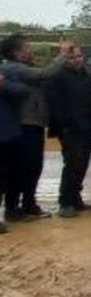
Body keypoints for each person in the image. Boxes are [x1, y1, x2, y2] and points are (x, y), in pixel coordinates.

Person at [0, 34, 64, 221]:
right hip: (26, 126)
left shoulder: (18, 69)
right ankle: (19, 207)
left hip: (30, 124)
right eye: (27, 47)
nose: (32, 50)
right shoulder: (14, 69)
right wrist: (61, 56)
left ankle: (25, 205)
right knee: (26, 167)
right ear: (17, 52)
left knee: (28, 167)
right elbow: (45, 74)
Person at [46, 44, 91, 217]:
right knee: (72, 165)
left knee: (82, 165)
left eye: (79, 56)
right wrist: (62, 127)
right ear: (64, 59)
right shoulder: (58, 77)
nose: (77, 60)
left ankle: (76, 199)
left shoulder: (85, 75)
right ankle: (65, 202)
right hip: (70, 129)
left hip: (87, 127)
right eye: (72, 58)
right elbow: (55, 105)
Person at [0, 64, 32, 234]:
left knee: (8, 176)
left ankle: (11, 209)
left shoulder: (5, 73)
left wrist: (3, 84)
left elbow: (22, 90)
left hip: (7, 134)